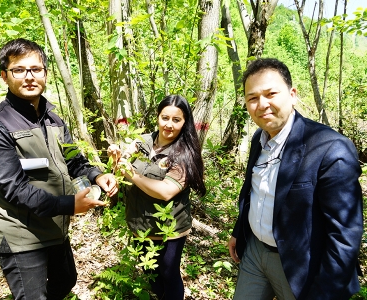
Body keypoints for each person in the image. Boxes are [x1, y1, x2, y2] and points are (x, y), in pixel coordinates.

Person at [0, 38, 118, 300]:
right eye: (19, 70)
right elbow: (15, 188)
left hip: (54, 228)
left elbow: (74, 161)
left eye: (35, 69)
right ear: (5, 76)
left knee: (66, 280)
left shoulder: (52, 118)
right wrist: (70, 205)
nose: (29, 77)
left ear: (45, 74)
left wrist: (98, 175)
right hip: (20, 235)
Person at [228, 58, 363, 300]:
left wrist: (325, 293)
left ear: (292, 94)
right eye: (252, 98)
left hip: (302, 266)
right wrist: (239, 230)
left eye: (271, 93)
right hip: (255, 252)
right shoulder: (260, 138)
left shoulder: (330, 149)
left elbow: (345, 235)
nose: (262, 104)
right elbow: (252, 190)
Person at [108, 95, 206, 299]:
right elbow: (119, 167)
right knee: (151, 273)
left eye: (176, 120)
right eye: (165, 118)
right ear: (158, 117)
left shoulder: (184, 153)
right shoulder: (141, 142)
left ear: (185, 122)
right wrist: (116, 157)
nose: (169, 125)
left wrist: (131, 174)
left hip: (170, 227)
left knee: (169, 272)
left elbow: (166, 191)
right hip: (140, 223)